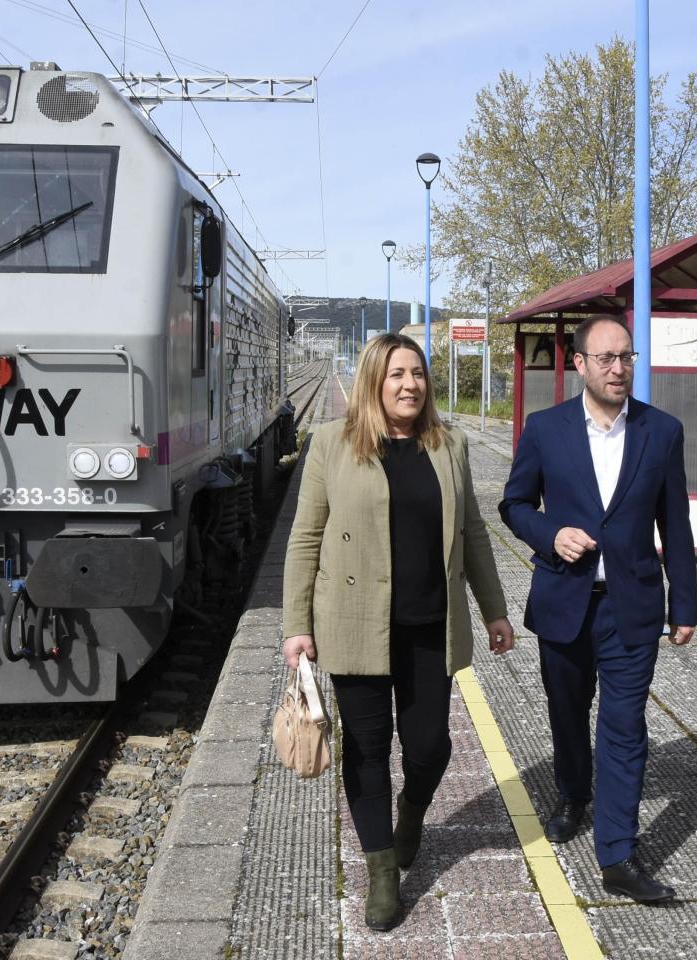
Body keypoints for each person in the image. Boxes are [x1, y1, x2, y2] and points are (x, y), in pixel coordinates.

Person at [282, 333, 515, 931]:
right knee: (366, 751)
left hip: (429, 626)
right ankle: (382, 873)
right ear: (372, 383)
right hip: (353, 625)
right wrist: (296, 626)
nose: (409, 384)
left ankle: (411, 816)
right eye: (395, 375)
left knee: (431, 747)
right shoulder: (333, 444)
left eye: (417, 373)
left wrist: (494, 611)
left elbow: (474, 535)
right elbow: (306, 537)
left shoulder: (450, 445)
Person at [498, 315, 697, 904]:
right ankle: (571, 794)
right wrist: (549, 533)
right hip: (564, 602)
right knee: (567, 713)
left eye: (626, 358)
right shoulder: (546, 429)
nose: (618, 369)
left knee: (624, 727)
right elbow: (513, 504)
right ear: (579, 364)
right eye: (605, 359)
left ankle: (618, 853)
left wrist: (683, 602)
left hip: (632, 607)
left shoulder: (662, 432)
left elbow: (676, 525)